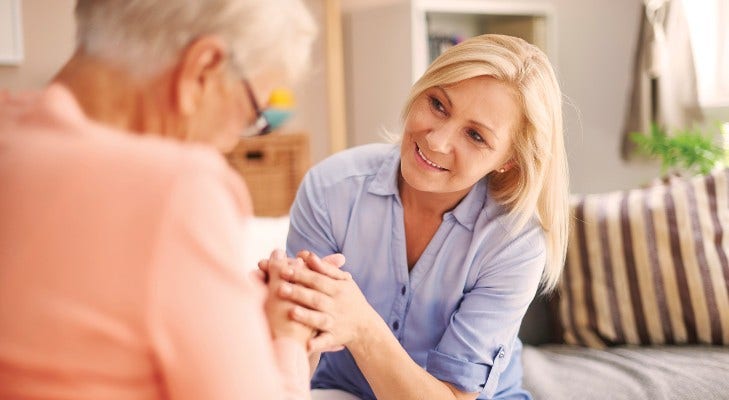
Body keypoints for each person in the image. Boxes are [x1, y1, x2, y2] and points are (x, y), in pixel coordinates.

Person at [0, 0, 322, 398]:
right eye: (251, 112)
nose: (231, 142)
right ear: (203, 67)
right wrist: (287, 337)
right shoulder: (180, 189)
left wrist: (222, 304)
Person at [267, 34, 570, 399]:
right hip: (343, 390)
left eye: (475, 135)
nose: (437, 141)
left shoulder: (514, 239)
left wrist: (362, 326)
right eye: (439, 104)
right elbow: (297, 349)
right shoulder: (331, 189)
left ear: (508, 161)